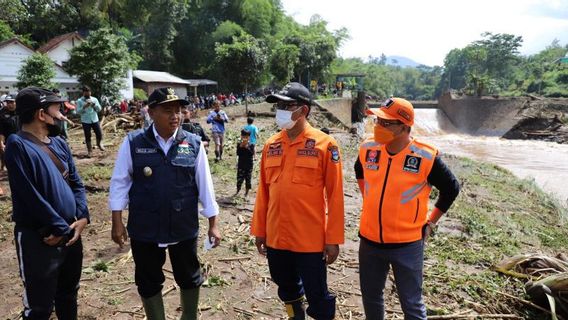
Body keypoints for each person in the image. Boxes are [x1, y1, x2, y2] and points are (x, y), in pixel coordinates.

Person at [109, 87, 221, 320]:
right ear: (150, 112)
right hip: (145, 227)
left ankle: (189, 316)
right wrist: (117, 222)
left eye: (179, 110)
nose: (176, 116)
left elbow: (205, 185)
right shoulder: (133, 143)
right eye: (168, 110)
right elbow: (120, 183)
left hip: (183, 225)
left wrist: (213, 223)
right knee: (148, 280)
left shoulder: (193, 143)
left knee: (189, 276)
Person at [355, 97, 460, 320]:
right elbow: (359, 171)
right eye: (377, 120)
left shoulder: (425, 157)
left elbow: (451, 188)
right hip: (369, 241)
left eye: (385, 123)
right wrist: (369, 198)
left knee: (411, 304)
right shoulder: (368, 149)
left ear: (404, 127)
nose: (378, 126)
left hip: (407, 245)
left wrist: (431, 222)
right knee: (371, 297)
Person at [251, 82, 345, 320]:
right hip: (276, 237)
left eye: (286, 105)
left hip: (309, 241)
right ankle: (296, 316)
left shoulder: (325, 145)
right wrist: (260, 230)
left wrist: (333, 239)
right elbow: (263, 192)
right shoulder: (271, 144)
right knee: (287, 289)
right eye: (278, 105)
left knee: (318, 295)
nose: (279, 110)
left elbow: (335, 196)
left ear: (303, 110)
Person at [6, 87, 89, 320]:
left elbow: (76, 183)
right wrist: (59, 228)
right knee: (39, 307)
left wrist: (82, 217)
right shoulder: (17, 145)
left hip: (70, 234)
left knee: (68, 295)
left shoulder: (60, 143)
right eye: (56, 108)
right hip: (40, 238)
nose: (61, 113)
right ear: (41, 114)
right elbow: (29, 195)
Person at [76, 86, 105, 157]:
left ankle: (99, 144)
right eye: (86, 92)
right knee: (88, 136)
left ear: (90, 92)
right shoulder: (79, 101)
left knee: (99, 133)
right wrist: (84, 106)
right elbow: (77, 112)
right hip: (85, 121)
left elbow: (99, 109)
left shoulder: (94, 99)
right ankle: (90, 151)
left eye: (89, 92)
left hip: (95, 119)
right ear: (83, 93)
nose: (88, 94)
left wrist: (94, 105)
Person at [0, 94, 18, 173]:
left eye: (11, 102)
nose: (9, 104)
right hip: (8, 140)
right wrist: (1, 143)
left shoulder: (22, 112)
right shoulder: (2, 113)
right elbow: (1, 130)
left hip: (21, 139)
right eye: (8, 102)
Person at [235, 129, 254, 197]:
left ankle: (246, 192)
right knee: (239, 179)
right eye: (243, 136)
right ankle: (238, 190)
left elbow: (251, 154)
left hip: (249, 165)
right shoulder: (239, 144)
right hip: (241, 165)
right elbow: (238, 153)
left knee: (248, 179)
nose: (245, 138)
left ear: (249, 137)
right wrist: (241, 146)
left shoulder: (251, 144)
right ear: (241, 136)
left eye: (247, 136)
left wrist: (247, 147)